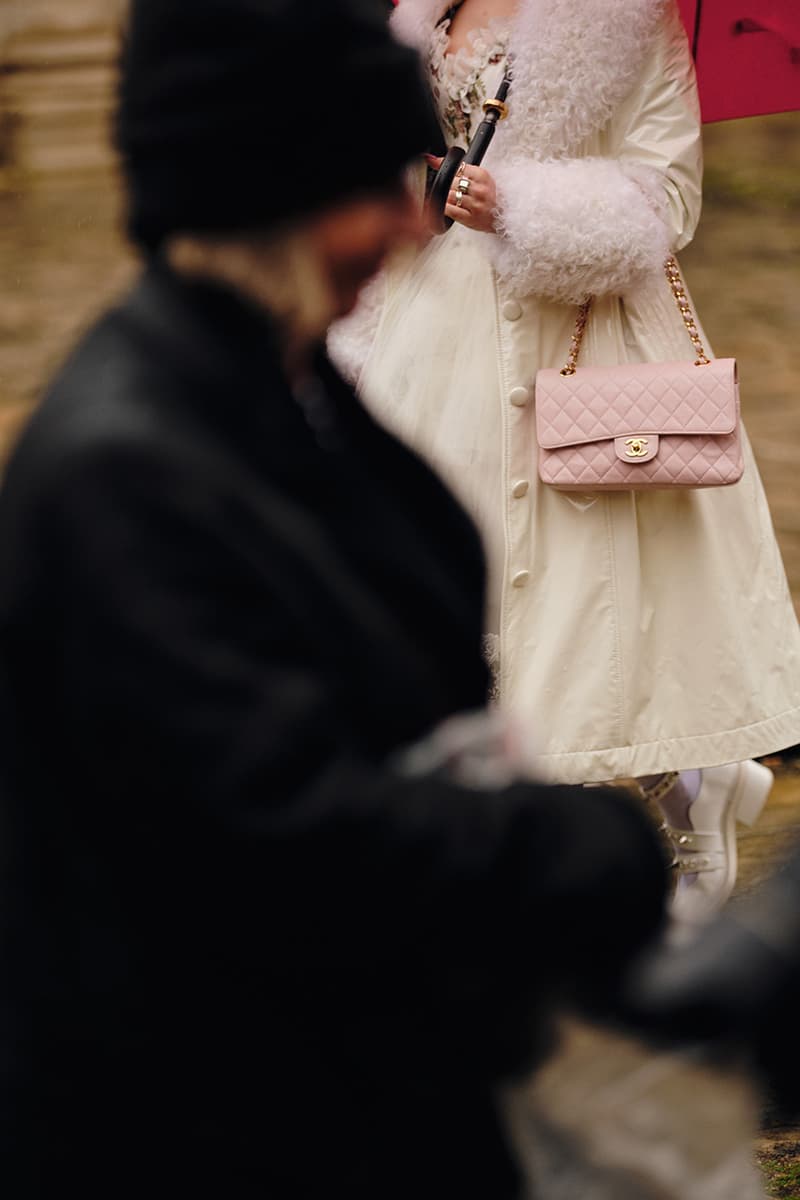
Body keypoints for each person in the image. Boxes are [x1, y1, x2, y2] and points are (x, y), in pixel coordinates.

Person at [0, 2, 667, 1196]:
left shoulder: (291, 393)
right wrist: (578, 848)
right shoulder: (127, 472)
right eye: (380, 184)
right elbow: (280, 846)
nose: (414, 228)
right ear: (278, 190)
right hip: (209, 1133)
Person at [330, 0, 800, 926]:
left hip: (583, 344)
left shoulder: (629, 19)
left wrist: (522, 205)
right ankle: (487, 847)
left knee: (607, 614)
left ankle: (687, 789)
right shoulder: (419, 11)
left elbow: (669, 199)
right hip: (424, 331)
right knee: (436, 594)